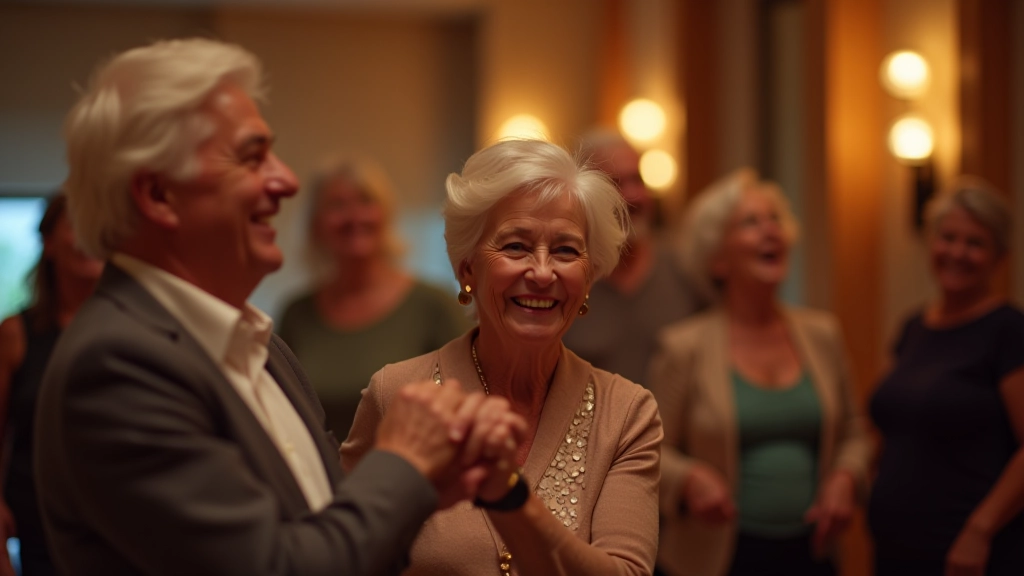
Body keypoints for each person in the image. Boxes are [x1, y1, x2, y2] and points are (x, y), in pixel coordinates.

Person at [33, 38, 526, 576]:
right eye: (252, 157)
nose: (285, 181)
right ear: (158, 195)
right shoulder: (117, 365)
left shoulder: (260, 343)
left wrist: (423, 486)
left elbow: (331, 532)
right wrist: (403, 461)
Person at [341, 138, 663, 576]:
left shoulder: (626, 413)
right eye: (516, 247)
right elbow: (344, 556)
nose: (543, 272)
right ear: (468, 268)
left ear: (588, 277)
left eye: (567, 250)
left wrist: (510, 497)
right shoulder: (397, 395)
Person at [648, 169, 871, 576]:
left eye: (775, 220)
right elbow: (649, 449)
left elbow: (855, 431)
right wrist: (690, 479)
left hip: (812, 553)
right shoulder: (683, 347)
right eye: (750, 223)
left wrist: (845, 477)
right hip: (717, 557)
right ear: (717, 259)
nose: (771, 231)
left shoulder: (822, 333)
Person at [868, 177, 1024, 576]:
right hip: (895, 548)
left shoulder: (1008, 331)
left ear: (999, 257)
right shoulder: (913, 327)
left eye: (975, 243)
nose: (957, 252)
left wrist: (979, 530)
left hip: (967, 554)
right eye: (948, 237)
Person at [279, 154, 471, 440]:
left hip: (418, 477)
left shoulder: (433, 306)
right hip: (321, 480)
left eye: (365, 202)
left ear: (386, 215)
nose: (354, 216)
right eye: (337, 205)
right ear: (316, 224)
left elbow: (471, 402)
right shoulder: (296, 314)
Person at [0, 194, 103, 576]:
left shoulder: (133, 336)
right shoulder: (15, 334)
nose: (87, 239)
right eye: (76, 225)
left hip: (118, 522)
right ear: (48, 242)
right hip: (37, 525)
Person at [562, 129, 700, 386]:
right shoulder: (563, 277)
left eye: (639, 180)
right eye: (615, 184)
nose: (634, 196)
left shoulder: (686, 268)